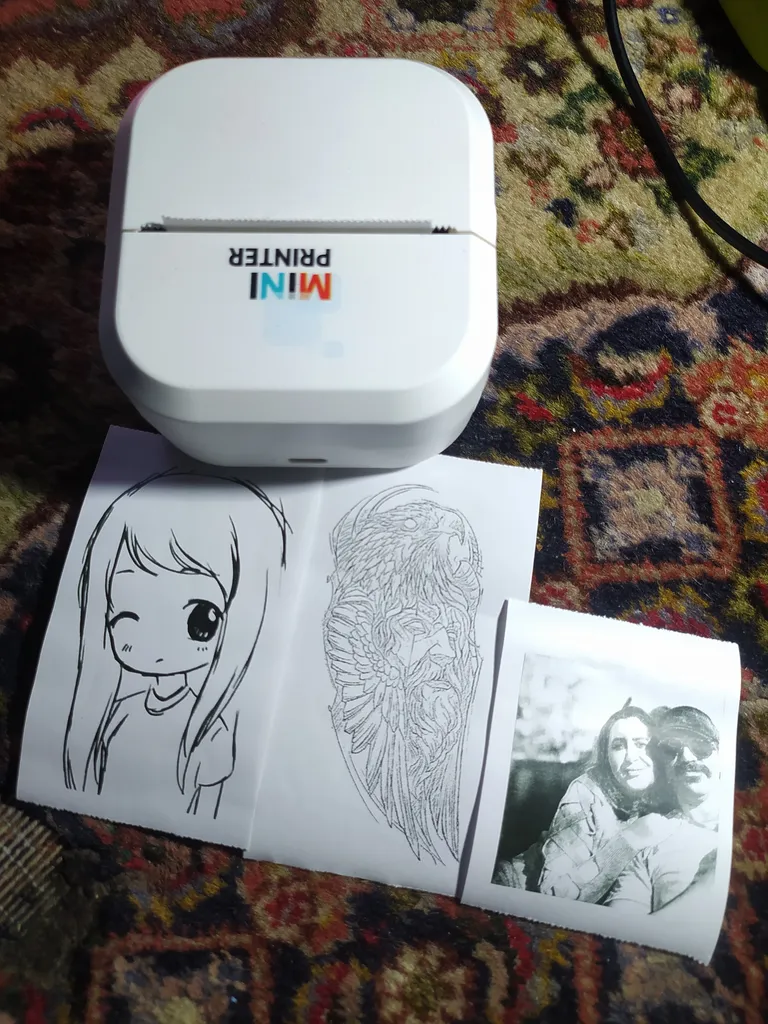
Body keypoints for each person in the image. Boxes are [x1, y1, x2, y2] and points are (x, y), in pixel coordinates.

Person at [62, 470, 288, 818]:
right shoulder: (121, 711)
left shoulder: (210, 734)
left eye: (200, 619)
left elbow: (209, 811)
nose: (156, 642)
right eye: (128, 613)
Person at [495, 701, 678, 901]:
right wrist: (629, 840)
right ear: (606, 756)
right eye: (618, 746)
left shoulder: (669, 797)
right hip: (513, 893)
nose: (630, 757)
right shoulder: (587, 791)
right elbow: (553, 892)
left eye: (641, 744)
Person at [605, 706, 720, 914]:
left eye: (700, 745)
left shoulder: (754, 824)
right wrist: (706, 885)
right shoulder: (651, 845)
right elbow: (620, 930)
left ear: (720, 755)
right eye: (671, 749)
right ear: (663, 768)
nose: (687, 757)